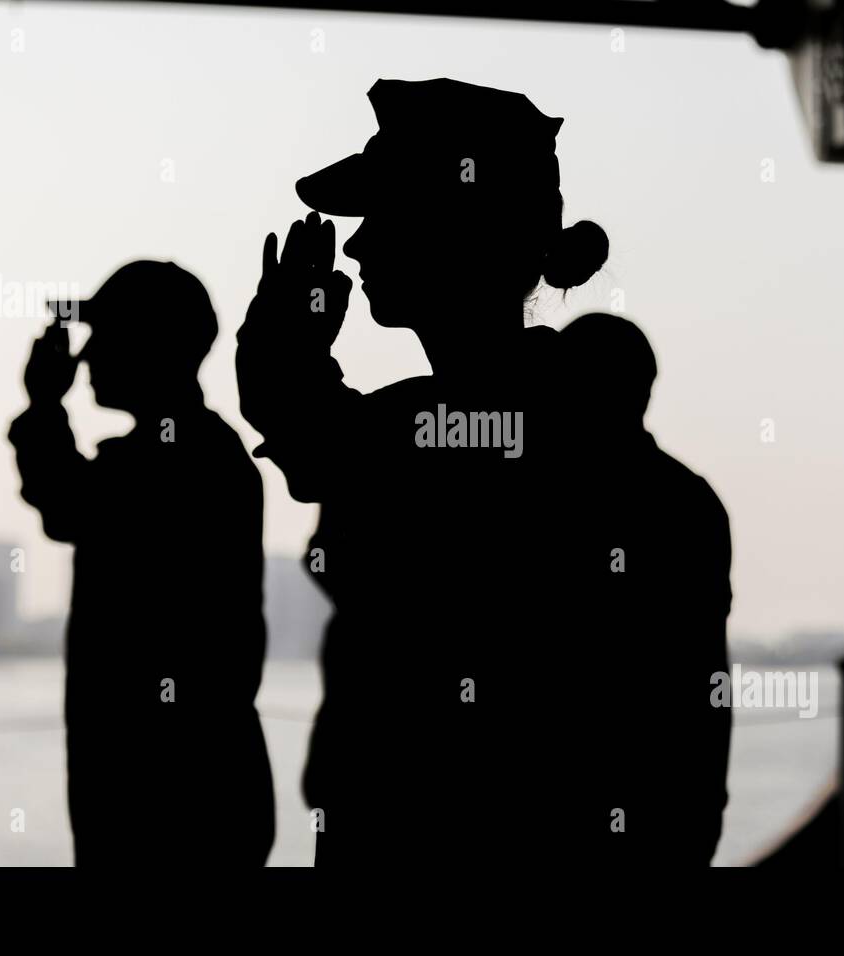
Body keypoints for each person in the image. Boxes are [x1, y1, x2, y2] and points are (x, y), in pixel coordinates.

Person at [236, 78, 609, 866]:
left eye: (385, 214)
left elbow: (336, 447)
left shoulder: (453, 429)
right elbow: (331, 442)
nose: (361, 244)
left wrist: (284, 345)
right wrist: (286, 353)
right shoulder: (543, 412)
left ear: (460, 228)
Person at [9, 260, 274, 867]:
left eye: (106, 334)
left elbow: (67, 504)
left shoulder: (175, 459)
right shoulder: (199, 451)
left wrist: (44, 404)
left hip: (166, 805)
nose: (90, 354)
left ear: (148, 346)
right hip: (196, 797)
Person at [560, 312, 733, 865]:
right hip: (669, 798)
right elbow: (707, 671)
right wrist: (707, 800)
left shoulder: (546, 503)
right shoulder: (691, 503)